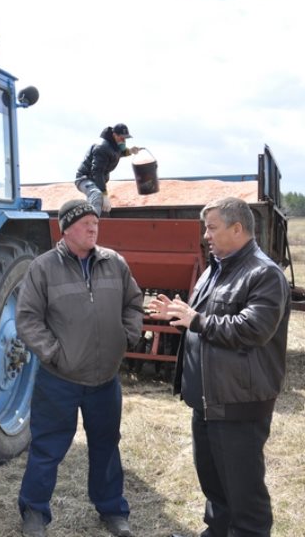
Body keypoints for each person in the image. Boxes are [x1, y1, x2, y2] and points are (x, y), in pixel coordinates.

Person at [147, 197, 290, 537]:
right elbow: (206, 322)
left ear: (237, 228)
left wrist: (196, 319)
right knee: (216, 492)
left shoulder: (264, 273)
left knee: (245, 500)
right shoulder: (215, 268)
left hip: (238, 404)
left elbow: (252, 329)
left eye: (212, 228)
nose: (205, 235)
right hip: (208, 403)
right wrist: (181, 314)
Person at [16, 199, 144, 537]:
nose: (93, 228)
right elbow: (27, 319)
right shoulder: (43, 268)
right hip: (60, 379)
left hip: (105, 380)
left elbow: (133, 302)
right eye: (86, 223)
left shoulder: (114, 263)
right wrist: (54, 354)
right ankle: (34, 513)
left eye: (96, 223)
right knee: (47, 448)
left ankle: (113, 510)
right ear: (67, 228)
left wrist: (127, 336)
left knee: (106, 445)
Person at [75, 123, 141, 216]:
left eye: (125, 138)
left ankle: (100, 221)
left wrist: (130, 151)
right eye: (122, 137)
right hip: (85, 179)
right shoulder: (102, 148)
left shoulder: (114, 145)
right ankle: (92, 224)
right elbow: (97, 172)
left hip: (96, 180)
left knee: (102, 207)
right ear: (114, 135)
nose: (124, 140)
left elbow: (116, 154)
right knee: (97, 195)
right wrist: (104, 194)